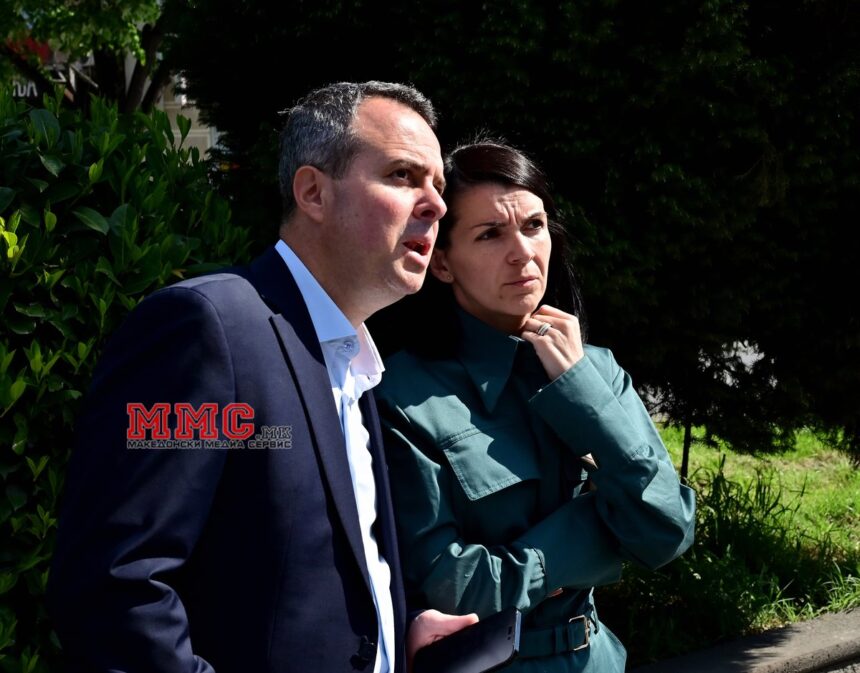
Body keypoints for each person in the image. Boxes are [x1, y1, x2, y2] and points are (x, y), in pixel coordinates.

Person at [47, 81, 477, 673]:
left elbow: (294, 581)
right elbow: (115, 586)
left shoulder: (353, 364)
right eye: (403, 175)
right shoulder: (208, 330)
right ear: (313, 192)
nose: (436, 205)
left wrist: (392, 635)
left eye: (438, 186)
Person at [371, 139, 697, 672]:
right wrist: (589, 534)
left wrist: (580, 391)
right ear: (443, 263)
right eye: (490, 234)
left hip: (598, 659)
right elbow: (451, 588)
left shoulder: (595, 370)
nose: (522, 252)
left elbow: (666, 531)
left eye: (534, 225)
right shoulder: (405, 399)